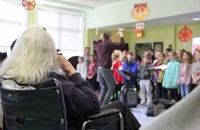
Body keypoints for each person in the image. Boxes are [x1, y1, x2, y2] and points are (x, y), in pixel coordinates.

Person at [0, 27, 141, 130]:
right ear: (48, 52)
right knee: (120, 106)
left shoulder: (7, 79)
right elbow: (93, 106)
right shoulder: (52, 81)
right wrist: (71, 70)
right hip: (74, 126)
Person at [94, 31, 125, 106]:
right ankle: (105, 104)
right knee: (111, 86)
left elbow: (95, 45)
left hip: (99, 69)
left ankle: (99, 104)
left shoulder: (98, 45)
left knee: (104, 87)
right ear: (109, 38)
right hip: (105, 68)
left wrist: (99, 39)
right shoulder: (108, 45)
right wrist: (121, 36)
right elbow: (122, 45)